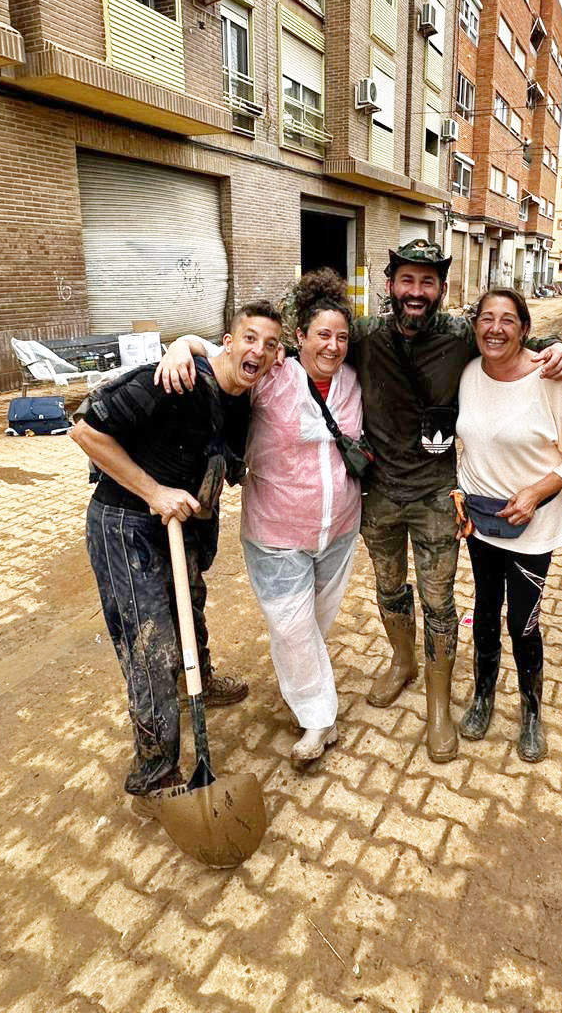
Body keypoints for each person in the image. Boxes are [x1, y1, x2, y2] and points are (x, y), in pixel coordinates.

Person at [161, 241, 562, 764]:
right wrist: (184, 345)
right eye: (407, 281)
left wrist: (561, 348)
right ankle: (403, 662)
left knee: (439, 601)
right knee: (388, 587)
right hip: (376, 495)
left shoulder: (460, 336)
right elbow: (269, 353)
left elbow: (510, 339)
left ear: (441, 289)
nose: (416, 292)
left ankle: (439, 705)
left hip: (435, 496)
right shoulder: (365, 337)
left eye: (427, 282)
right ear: (390, 286)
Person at [69, 302, 282, 815]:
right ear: (227, 343)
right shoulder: (171, 379)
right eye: (249, 338)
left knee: (191, 607)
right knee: (152, 645)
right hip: (127, 524)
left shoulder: (239, 399)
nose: (259, 350)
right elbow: (82, 429)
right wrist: (154, 491)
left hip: (179, 526)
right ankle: (155, 771)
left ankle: (200, 684)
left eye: (271, 344)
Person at [155, 271, 363, 766]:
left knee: (312, 625)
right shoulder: (271, 373)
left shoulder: (356, 380)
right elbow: (225, 355)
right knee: (291, 626)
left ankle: (305, 694)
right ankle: (319, 720)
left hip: (339, 528)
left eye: (341, 337)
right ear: (300, 338)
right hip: (277, 529)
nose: (332, 346)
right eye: (322, 335)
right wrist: (181, 344)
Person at [454, 288, 562, 761]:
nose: (495, 328)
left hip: (532, 530)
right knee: (483, 611)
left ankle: (532, 711)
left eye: (507, 320)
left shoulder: (549, 378)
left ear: (524, 330)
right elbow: (470, 446)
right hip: (480, 523)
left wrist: (537, 493)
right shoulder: (467, 373)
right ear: (475, 325)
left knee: (522, 622)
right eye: (486, 318)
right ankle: (483, 696)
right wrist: (459, 493)